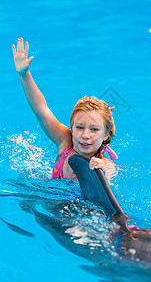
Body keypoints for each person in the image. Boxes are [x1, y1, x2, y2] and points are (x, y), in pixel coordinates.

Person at [12, 38, 118, 180]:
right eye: (79, 127)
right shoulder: (65, 140)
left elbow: (109, 172)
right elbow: (41, 110)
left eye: (94, 129)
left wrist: (102, 171)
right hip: (51, 196)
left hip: (80, 202)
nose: (85, 135)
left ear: (106, 135)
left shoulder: (105, 163)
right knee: (25, 175)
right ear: (72, 128)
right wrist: (24, 75)